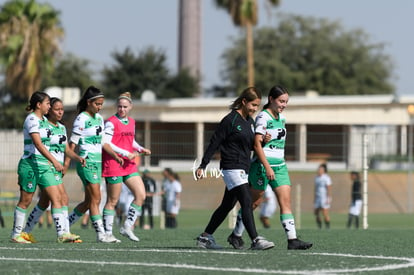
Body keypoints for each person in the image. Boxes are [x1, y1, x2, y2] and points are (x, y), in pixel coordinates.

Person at [228, 85, 312, 250]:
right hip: (262, 167)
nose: (283, 105)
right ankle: (236, 235)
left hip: (280, 166)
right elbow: (257, 145)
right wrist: (267, 167)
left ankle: (292, 240)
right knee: (253, 203)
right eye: (281, 101)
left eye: (286, 102)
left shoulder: (282, 118)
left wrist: (277, 163)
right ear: (271, 99)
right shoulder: (263, 117)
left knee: (285, 201)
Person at [195, 87, 274, 250]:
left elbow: (251, 146)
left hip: (243, 168)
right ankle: (255, 240)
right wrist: (203, 165)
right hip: (231, 167)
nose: (254, 109)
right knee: (246, 201)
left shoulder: (249, 122)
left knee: (226, 206)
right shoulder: (230, 120)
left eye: (257, 106)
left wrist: (264, 141)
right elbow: (214, 143)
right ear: (244, 102)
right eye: (252, 105)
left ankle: (205, 237)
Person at [11, 92, 79, 243]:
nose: (49, 106)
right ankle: (16, 235)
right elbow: (38, 144)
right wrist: (55, 161)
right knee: (26, 200)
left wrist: (77, 158)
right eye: (48, 103)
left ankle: (63, 234)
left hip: (44, 166)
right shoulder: (32, 119)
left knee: (58, 198)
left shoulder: (44, 122)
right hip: (30, 164)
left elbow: (59, 146)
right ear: (38, 105)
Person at [66, 86, 122, 243]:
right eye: (97, 104)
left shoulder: (98, 119)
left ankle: (65, 226)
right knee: (97, 198)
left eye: (101, 104)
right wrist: (67, 163)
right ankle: (101, 235)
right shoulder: (81, 119)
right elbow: (71, 145)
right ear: (89, 102)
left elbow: (103, 142)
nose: (100, 107)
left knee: (89, 202)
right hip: (86, 161)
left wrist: (115, 155)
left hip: (97, 162)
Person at [102, 92, 151, 242]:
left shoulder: (132, 122)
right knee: (113, 201)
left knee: (141, 195)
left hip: (128, 164)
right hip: (114, 163)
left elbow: (131, 141)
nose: (122, 109)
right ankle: (108, 234)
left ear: (130, 107)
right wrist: (125, 153)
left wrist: (141, 149)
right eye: (119, 106)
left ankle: (127, 226)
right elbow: (107, 143)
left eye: (125, 106)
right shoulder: (110, 122)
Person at [314, 163, 332, 229]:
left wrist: (328, 198)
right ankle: (320, 227)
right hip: (318, 197)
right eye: (319, 169)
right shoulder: (316, 178)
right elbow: (315, 188)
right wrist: (315, 197)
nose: (319, 170)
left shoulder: (326, 178)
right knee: (316, 212)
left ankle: (327, 227)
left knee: (325, 213)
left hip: (324, 197)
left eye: (321, 169)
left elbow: (329, 188)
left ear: (323, 170)